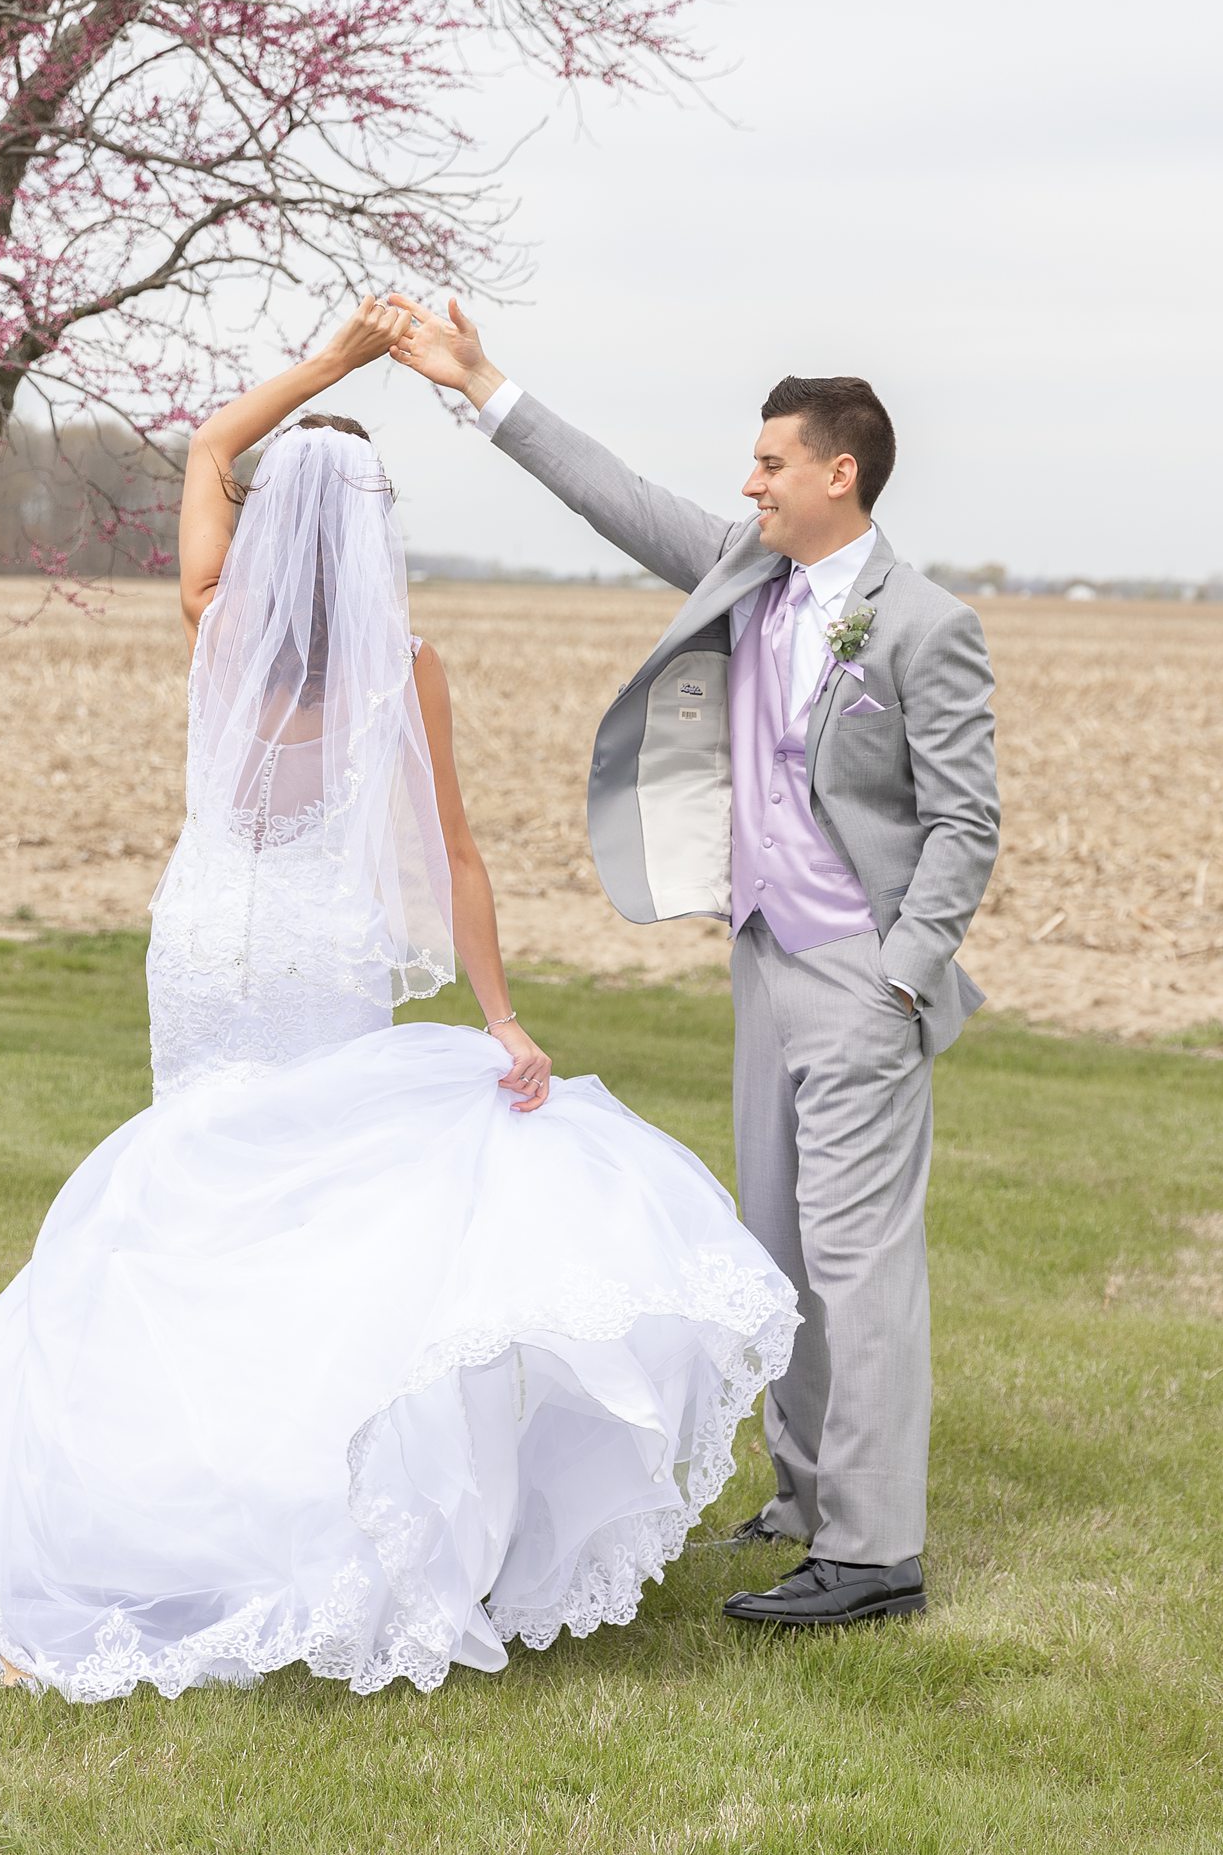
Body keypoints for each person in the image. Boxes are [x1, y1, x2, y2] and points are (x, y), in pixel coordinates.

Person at [0, 304, 798, 1700]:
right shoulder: (407, 669)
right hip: (320, 944)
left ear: (269, 526)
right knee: (319, 1214)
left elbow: (209, 441)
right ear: (375, 532)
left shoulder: (216, 623)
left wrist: (331, 364)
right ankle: (306, 1519)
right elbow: (455, 858)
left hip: (206, 940)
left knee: (190, 1198)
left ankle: (135, 1514)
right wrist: (501, 1018)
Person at [386, 296, 999, 1628]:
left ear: (841, 473)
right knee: (774, 1248)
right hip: (763, 965)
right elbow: (615, 497)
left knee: (860, 1263)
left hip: (861, 976)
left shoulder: (923, 626)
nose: (748, 480)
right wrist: (482, 385)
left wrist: (902, 973)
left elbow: (965, 821)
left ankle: (875, 1550)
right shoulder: (744, 568)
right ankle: (801, 1500)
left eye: (772, 462)